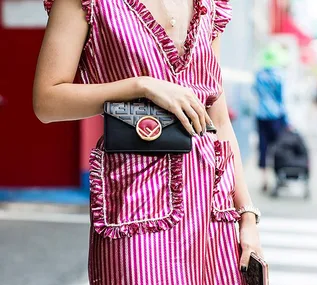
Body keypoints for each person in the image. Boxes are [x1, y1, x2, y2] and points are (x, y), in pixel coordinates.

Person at [33, 0, 262, 284]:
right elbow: (47, 101)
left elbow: (218, 119)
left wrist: (247, 215)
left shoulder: (210, 5)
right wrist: (140, 86)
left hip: (213, 211)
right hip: (135, 201)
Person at [253, 46, 289, 192]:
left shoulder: (259, 75)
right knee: (278, 147)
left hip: (261, 115)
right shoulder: (278, 76)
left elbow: (255, 91)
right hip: (276, 116)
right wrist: (286, 120)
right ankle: (278, 178)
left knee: (263, 146)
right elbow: (281, 99)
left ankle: (264, 179)